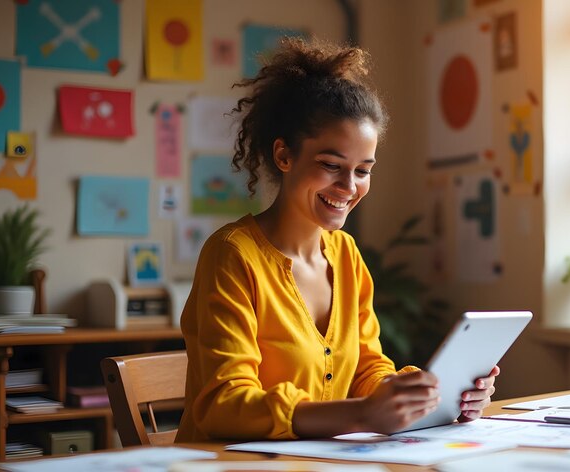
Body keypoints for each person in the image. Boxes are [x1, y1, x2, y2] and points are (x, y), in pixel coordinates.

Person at [176, 37, 499, 442]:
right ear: (283, 156)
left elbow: (367, 368)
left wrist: (427, 393)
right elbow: (224, 405)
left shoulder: (345, 255)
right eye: (331, 165)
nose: (349, 186)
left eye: (363, 170)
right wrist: (362, 414)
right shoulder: (232, 255)